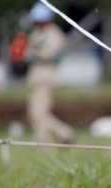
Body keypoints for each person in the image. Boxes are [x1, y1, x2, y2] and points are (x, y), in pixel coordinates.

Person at [24, 1, 74, 144]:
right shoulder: (35, 34)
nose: (39, 23)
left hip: (47, 77)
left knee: (39, 113)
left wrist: (34, 53)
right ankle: (65, 134)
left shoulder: (55, 34)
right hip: (34, 78)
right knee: (35, 114)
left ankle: (44, 142)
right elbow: (28, 52)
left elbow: (49, 53)